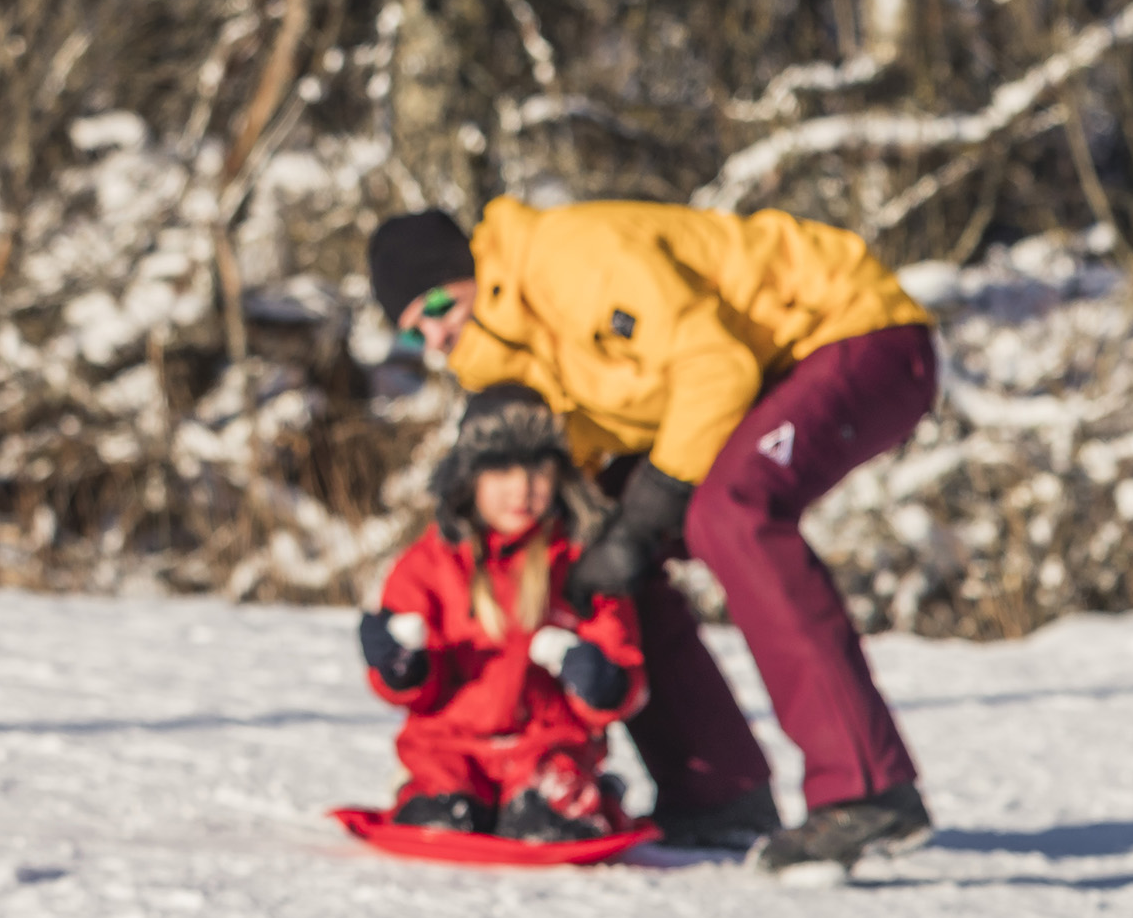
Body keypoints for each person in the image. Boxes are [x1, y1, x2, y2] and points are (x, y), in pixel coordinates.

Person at [364, 197, 939, 874]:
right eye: (410, 334)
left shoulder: (568, 258)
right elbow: (560, 478)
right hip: (752, 384)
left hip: (851, 335)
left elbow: (715, 369)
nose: (431, 338)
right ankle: (717, 792)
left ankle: (867, 788)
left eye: (431, 309)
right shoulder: (499, 356)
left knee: (732, 513)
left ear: (463, 271)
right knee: (595, 548)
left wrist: (648, 511)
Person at [357, 386, 649, 839]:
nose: (522, 487)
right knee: (439, 817)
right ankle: (442, 796)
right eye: (501, 469)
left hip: (548, 745)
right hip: (448, 745)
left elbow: (623, 668)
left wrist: (602, 683)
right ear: (469, 477)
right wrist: (401, 668)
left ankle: (586, 796)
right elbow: (415, 688)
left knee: (548, 819)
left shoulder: (583, 563)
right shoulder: (431, 562)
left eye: (537, 468)